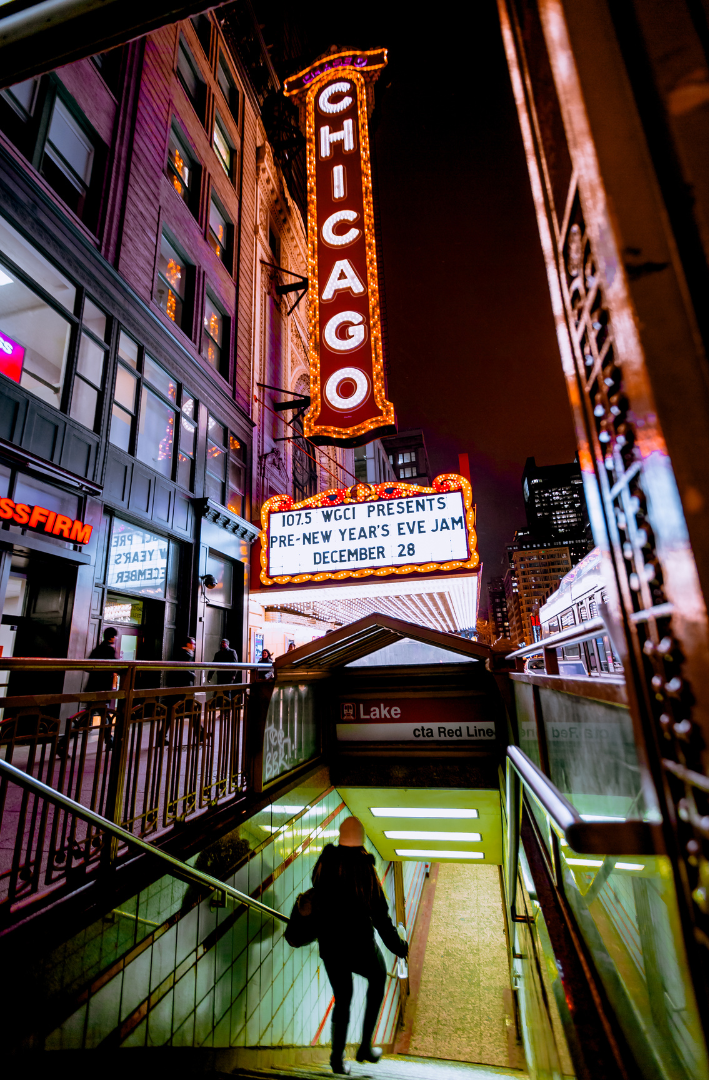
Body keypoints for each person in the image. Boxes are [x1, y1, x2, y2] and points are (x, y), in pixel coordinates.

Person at [311, 816, 408, 1075]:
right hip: (358, 945)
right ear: (362, 840)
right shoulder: (365, 868)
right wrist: (399, 947)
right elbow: (380, 916)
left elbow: (316, 891)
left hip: (330, 945)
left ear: (341, 837)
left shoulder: (325, 862)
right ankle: (365, 1046)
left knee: (343, 998)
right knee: (378, 976)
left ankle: (336, 1058)